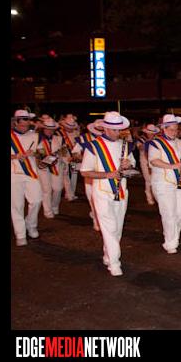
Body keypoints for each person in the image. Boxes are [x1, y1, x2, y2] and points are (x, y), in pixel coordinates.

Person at [79, 111, 136, 276]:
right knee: (109, 227)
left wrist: (128, 164)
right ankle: (114, 263)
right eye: (113, 129)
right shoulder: (93, 146)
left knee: (117, 229)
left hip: (122, 191)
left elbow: (132, 164)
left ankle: (108, 255)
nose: (117, 133)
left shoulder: (125, 145)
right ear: (105, 128)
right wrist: (107, 174)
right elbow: (84, 171)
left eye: (119, 129)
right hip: (102, 192)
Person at [148, 114, 181, 254]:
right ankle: (170, 242)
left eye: (176, 129)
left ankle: (172, 235)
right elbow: (154, 161)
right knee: (169, 213)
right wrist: (174, 165)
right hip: (163, 183)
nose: (174, 132)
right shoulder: (155, 143)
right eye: (171, 129)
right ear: (164, 129)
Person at [11, 110, 42, 246]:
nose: (24, 127)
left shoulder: (35, 136)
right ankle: (20, 234)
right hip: (13, 174)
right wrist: (16, 156)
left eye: (27, 125)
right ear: (15, 123)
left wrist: (34, 153)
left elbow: (41, 153)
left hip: (31, 172)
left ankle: (30, 224)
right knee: (16, 205)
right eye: (22, 125)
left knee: (37, 200)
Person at [74, 120, 104, 231]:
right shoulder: (84, 139)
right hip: (90, 172)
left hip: (105, 173)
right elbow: (75, 152)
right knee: (92, 196)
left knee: (102, 197)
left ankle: (100, 217)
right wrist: (83, 158)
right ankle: (96, 220)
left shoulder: (108, 140)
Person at [35, 118, 64, 218]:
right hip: (43, 168)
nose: (50, 131)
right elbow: (37, 153)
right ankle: (47, 211)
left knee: (58, 188)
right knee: (46, 190)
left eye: (52, 129)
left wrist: (62, 157)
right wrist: (42, 160)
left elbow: (64, 151)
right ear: (43, 128)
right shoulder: (37, 138)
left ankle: (55, 206)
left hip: (57, 167)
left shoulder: (59, 138)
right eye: (47, 128)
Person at [57, 114, 80, 201]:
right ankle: (69, 194)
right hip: (65, 158)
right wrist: (64, 157)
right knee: (66, 176)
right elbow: (59, 147)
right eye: (68, 127)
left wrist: (77, 155)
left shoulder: (76, 133)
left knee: (74, 174)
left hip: (74, 159)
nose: (70, 128)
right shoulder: (59, 134)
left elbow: (78, 145)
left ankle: (71, 193)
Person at [136, 124, 160, 206]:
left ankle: (155, 196)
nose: (151, 134)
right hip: (144, 161)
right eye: (149, 132)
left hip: (154, 160)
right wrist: (148, 143)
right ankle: (149, 197)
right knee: (148, 179)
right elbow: (140, 148)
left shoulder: (157, 139)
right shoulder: (141, 139)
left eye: (152, 133)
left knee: (155, 179)